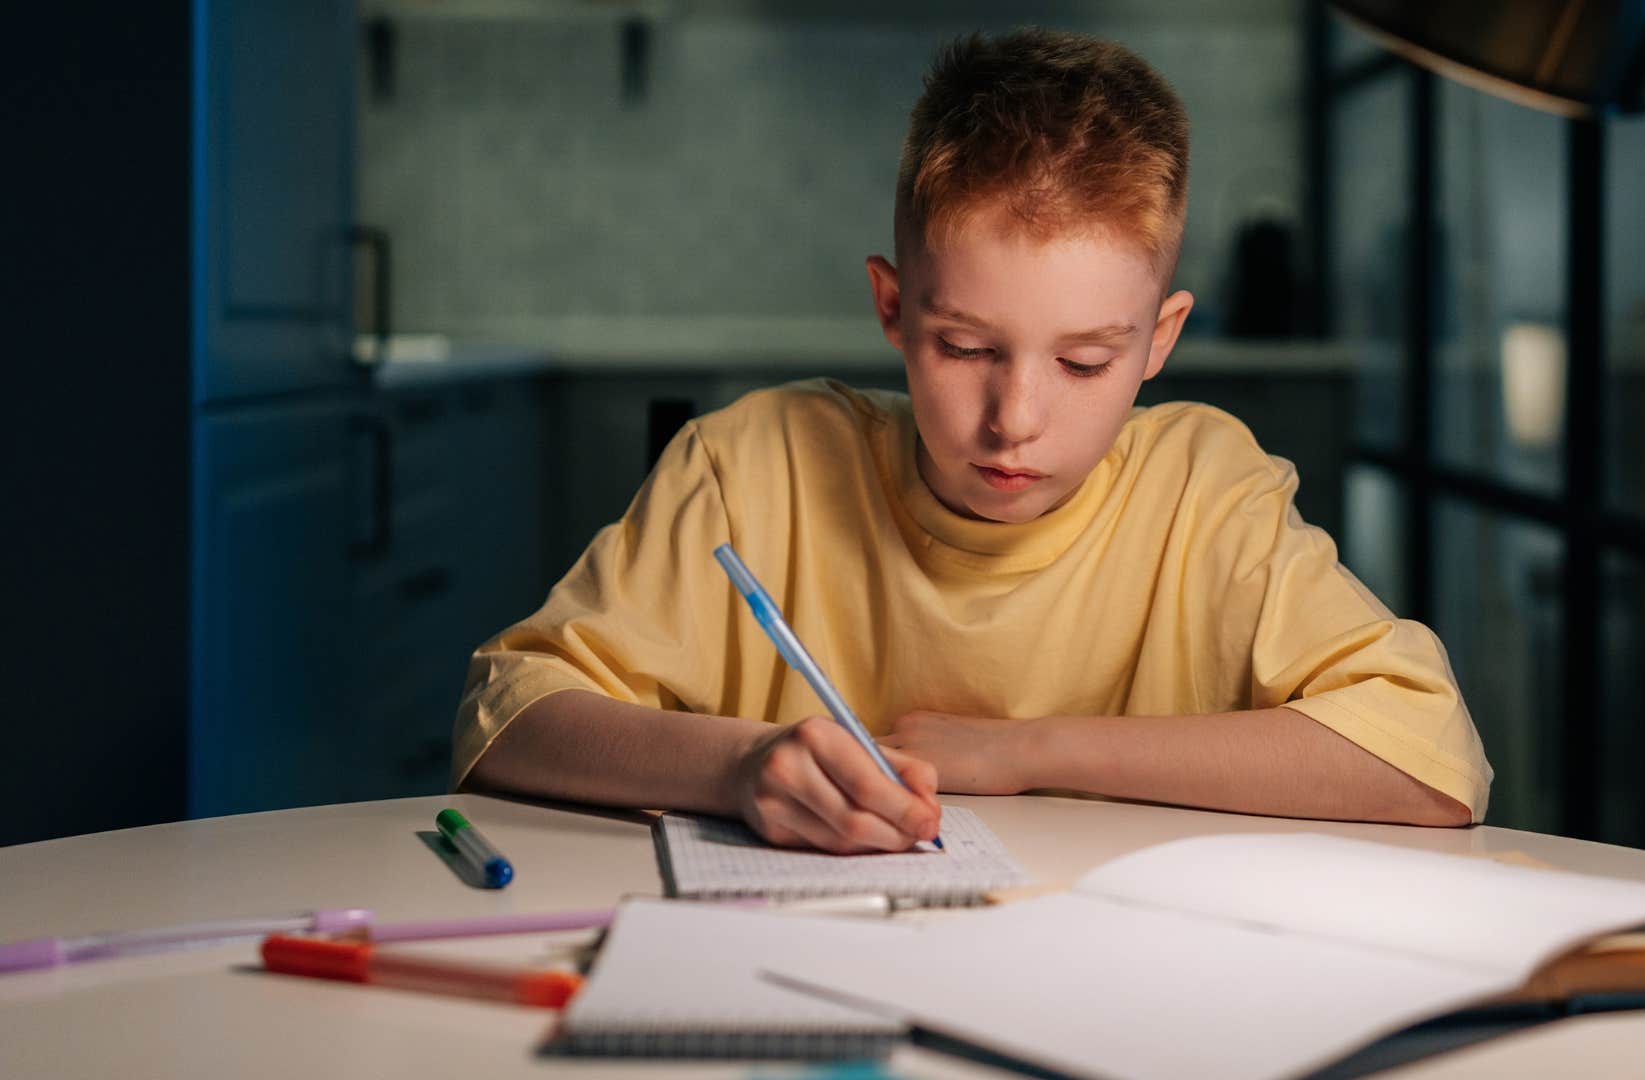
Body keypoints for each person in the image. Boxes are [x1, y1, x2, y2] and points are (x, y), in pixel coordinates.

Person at [454, 28, 1491, 854]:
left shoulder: (1206, 491)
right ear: (893, 308)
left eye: (1084, 364)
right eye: (963, 346)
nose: (1016, 419)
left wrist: (1026, 750)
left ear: (1160, 340)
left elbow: (1435, 759)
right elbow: (510, 716)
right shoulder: (750, 468)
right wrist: (736, 766)